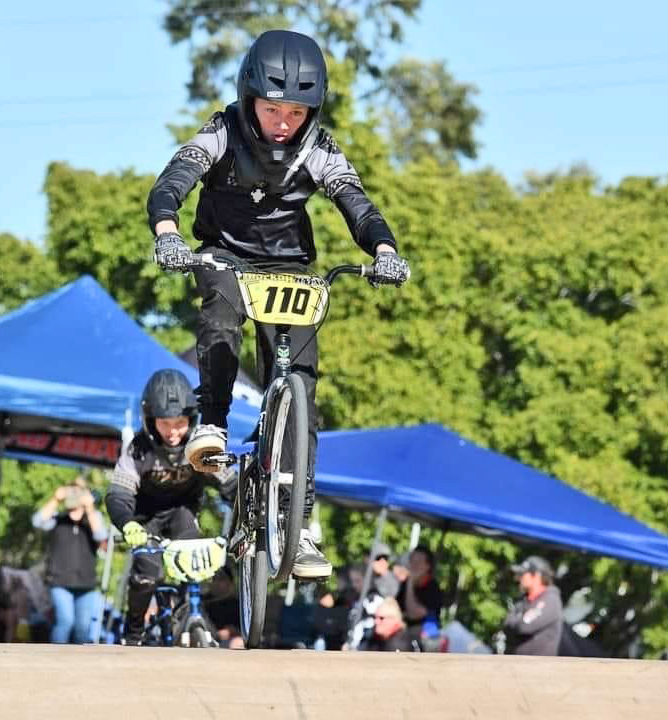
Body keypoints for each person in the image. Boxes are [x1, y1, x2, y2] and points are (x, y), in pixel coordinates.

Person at [146, 30, 411, 580]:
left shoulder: (320, 148)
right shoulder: (220, 132)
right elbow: (173, 181)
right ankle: (213, 425)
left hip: (290, 265)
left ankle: (303, 524)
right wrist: (169, 232)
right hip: (225, 254)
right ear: (249, 99)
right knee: (219, 308)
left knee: (302, 386)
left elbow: (355, 203)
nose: (284, 122)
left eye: (296, 111)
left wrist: (385, 249)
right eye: (273, 109)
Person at [104, 369, 235, 646]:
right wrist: (128, 524)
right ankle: (134, 630)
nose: (174, 432)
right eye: (165, 423)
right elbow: (118, 495)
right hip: (145, 519)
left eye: (180, 422)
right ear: (150, 420)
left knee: (194, 568)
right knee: (147, 575)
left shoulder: (200, 446)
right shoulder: (137, 451)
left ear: (192, 418)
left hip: (183, 513)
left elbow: (231, 486)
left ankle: (188, 616)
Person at [33, 476, 107, 644]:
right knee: (65, 622)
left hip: (86, 584)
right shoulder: (58, 520)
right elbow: (37, 521)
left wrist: (89, 507)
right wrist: (55, 498)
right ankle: (54, 663)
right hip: (60, 582)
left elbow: (101, 535)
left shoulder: (92, 519)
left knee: (83, 628)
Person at [503, 555, 562, 656]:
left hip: (537, 668)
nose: (519, 578)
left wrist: (515, 623)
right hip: (516, 665)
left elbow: (524, 627)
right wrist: (515, 624)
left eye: (523, 574)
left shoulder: (551, 600)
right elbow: (506, 624)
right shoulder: (523, 600)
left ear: (537, 576)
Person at [394, 545, 444, 630]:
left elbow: (413, 614)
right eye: (412, 560)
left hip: (423, 636)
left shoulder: (433, 589)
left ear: (427, 566)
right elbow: (395, 609)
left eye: (419, 561)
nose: (414, 564)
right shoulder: (405, 584)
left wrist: (410, 582)